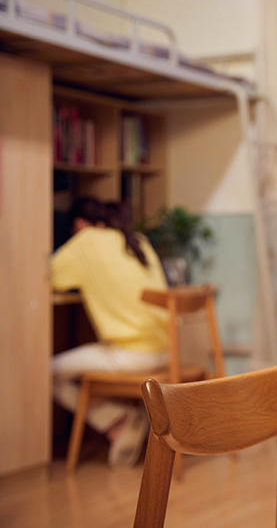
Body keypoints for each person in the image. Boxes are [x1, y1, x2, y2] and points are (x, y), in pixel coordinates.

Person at [52, 197, 169, 467]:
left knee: (46, 372)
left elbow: (49, 274)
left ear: (80, 224)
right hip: (165, 349)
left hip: (132, 354)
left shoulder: (87, 240)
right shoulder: (137, 239)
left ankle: (115, 419)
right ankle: (119, 422)